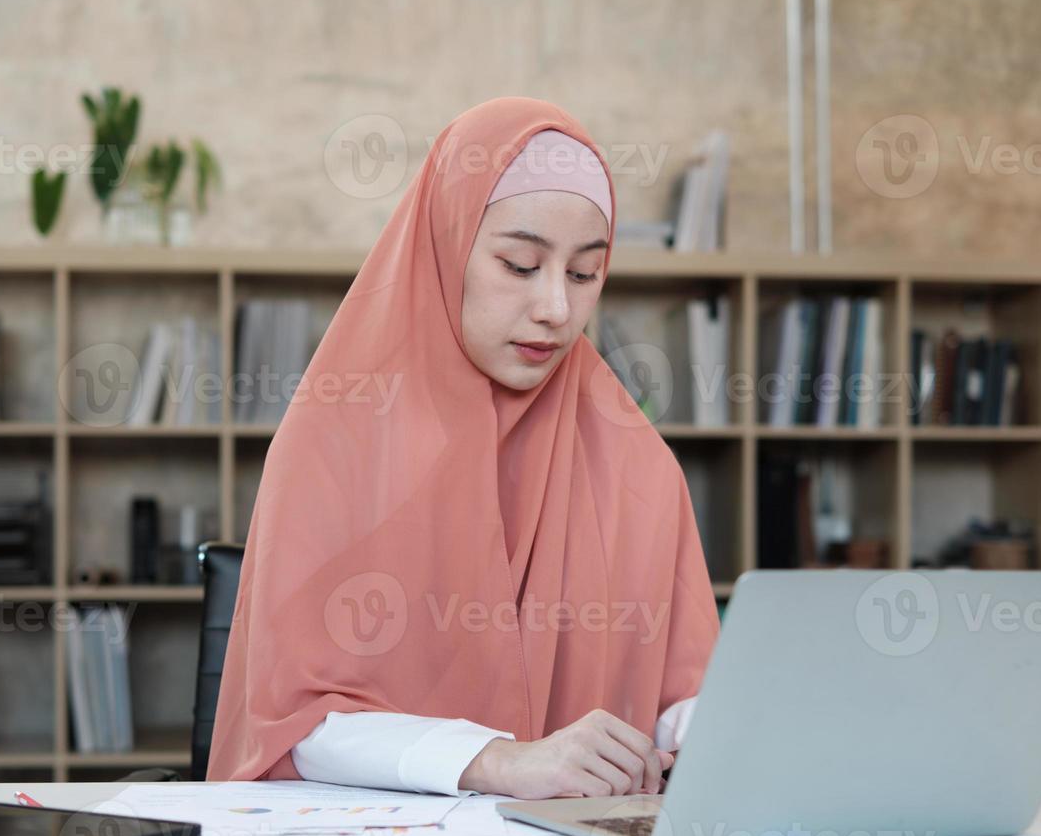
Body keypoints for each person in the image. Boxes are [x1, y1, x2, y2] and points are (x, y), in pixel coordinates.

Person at [206, 97, 720, 800]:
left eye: (582, 274)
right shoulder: (338, 436)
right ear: (446, 247)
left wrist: (711, 730)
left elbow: (677, 699)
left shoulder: (636, 462)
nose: (556, 310)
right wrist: (499, 760)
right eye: (518, 265)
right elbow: (292, 723)